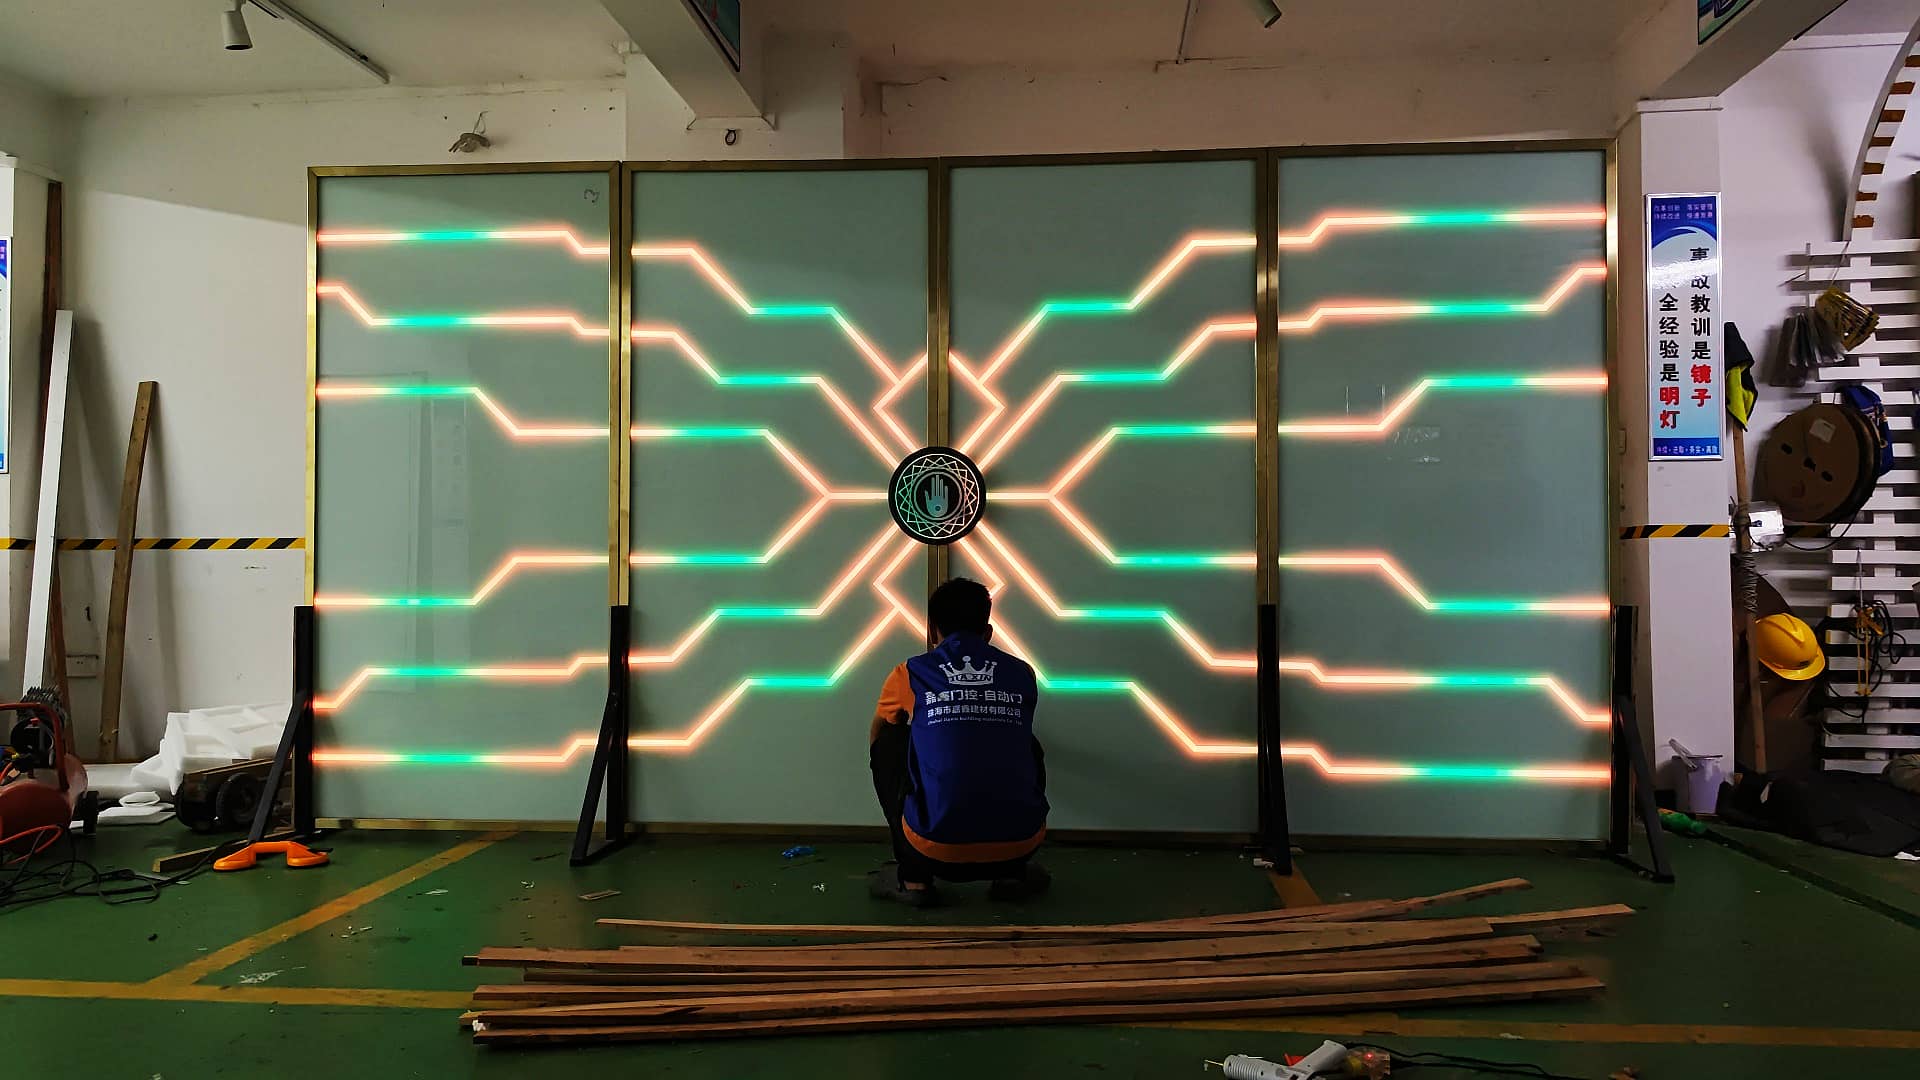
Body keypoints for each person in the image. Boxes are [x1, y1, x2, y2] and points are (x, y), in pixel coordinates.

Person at [868, 577, 1049, 906]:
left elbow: (877, 735)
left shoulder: (911, 672)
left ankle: (914, 880)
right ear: (988, 631)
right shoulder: (1022, 673)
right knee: (1027, 743)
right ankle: (1012, 875)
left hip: (934, 850)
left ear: (932, 630)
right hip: (1020, 844)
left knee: (889, 741)